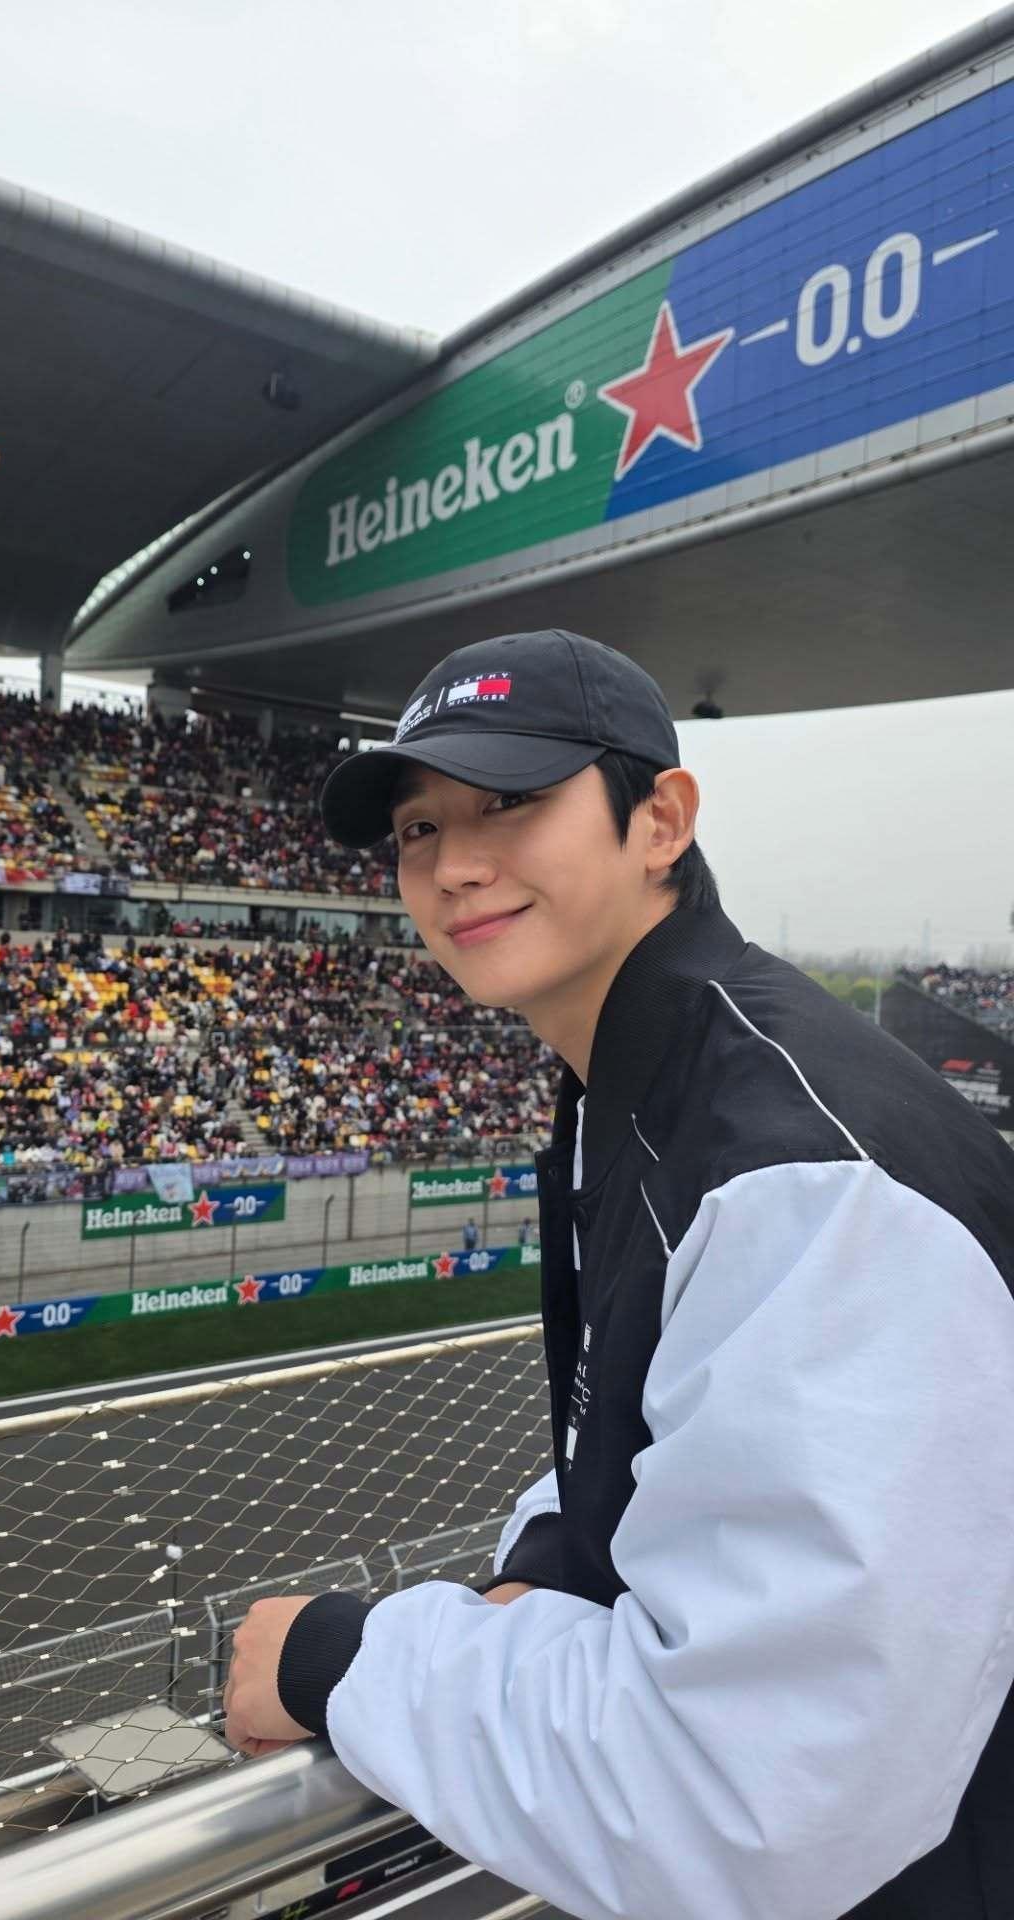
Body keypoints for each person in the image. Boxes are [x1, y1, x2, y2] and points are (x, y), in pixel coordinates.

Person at [222, 629, 1014, 1919]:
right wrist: (557, 1556)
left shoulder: (800, 1179)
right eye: (418, 829)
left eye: (509, 801)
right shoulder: (657, 1078)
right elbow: (658, 1426)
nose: (453, 865)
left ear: (661, 822)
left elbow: (752, 1801)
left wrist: (343, 1661)